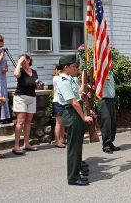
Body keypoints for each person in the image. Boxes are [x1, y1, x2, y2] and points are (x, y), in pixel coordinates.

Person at [55, 54, 93, 186]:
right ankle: (72, 177)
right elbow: (73, 102)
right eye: (73, 66)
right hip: (71, 113)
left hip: (75, 113)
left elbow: (78, 96)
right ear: (66, 67)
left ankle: (76, 173)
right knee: (73, 148)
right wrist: (84, 117)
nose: (76, 68)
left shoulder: (70, 79)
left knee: (77, 147)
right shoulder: (63, 81)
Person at [12, 54, 41, 155]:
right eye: (21, 60)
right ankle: (16, 145)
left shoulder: (34, 72)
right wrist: (19, 63)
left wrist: (39, 85)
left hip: (32, 97)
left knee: (28, 122)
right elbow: (15, 74)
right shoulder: (20, 70)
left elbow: (36, 85)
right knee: (20, 121)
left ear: (29, 60)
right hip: (21, 97)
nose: (23, 62)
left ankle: (26, 144)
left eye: (24, 60)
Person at [96, 62, 120, 154]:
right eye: (111, 62)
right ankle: (105, 145)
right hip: (104, 101)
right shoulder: (102, 74)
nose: (113, 64)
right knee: (106, 123)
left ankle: (110, 142)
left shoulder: (111, 73)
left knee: (112, 123)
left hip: (111, 100)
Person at [52, 66, 66, 148]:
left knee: (62, 122)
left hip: (63, 102)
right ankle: (57, 140)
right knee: (58, 122)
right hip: (58, 101)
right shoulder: (56, 78)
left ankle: (62, 139)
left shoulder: (62, 78)